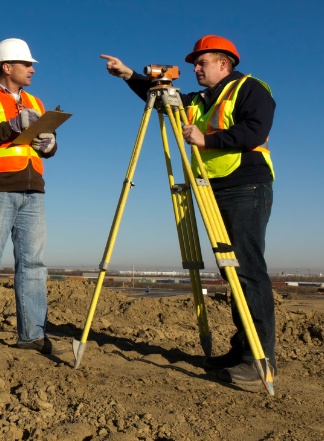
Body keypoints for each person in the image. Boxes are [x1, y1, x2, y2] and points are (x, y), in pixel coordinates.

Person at [101, 35, 276, 386]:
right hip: (212, 187)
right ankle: (242, 348)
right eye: (195, 63)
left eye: (202, 62)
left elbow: (256, 129)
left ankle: (260, 360)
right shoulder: (199, 99)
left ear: (224, 63)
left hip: (245, 186)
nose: (195, 68)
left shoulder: (250, 88)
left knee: (248, 271)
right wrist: (129, 75)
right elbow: (166, 102)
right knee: (232, 273)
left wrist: (207, 140)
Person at [0, 38, 64, 355]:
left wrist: (50, 145)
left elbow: (46, 144)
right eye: (27, 64)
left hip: (33, 192)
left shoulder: (35, 102)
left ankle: (32, 334)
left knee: (33, 266)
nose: (32, 69)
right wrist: (10, 125)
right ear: (8, 67)